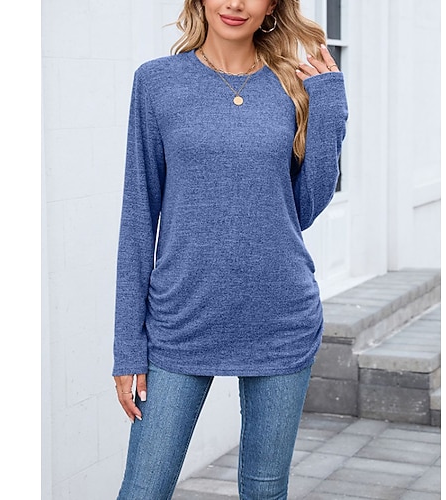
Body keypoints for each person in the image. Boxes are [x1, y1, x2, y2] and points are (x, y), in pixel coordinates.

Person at [112, 0, 348, 498]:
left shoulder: (291, 87)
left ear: (273, 6)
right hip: (181, 320)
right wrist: (128, 345)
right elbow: (137, 218)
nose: (236, 3)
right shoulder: (157, 82)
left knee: (265, 491)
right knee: (144, 489)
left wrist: (328, 111)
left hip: (280, 317)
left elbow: (302, 209)